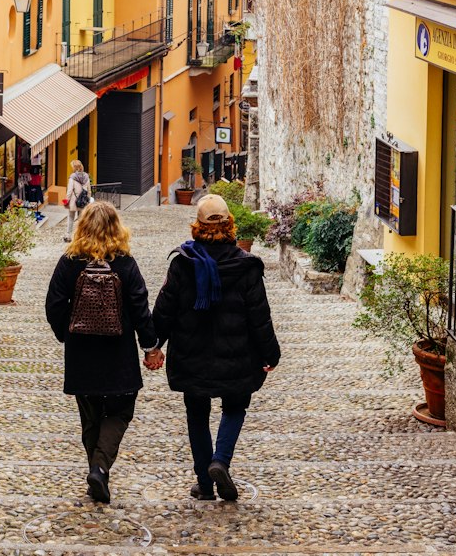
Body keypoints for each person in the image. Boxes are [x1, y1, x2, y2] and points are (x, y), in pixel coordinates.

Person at [151, 193, 280, 502]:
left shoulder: (183, 264)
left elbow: (164, 311)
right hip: (237, 357)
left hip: (191, 355)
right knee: (235, 407)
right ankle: (220, 461)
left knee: (197, 414)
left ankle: (205, 485)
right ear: (229, 225)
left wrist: (153, 345)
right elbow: (259, 315)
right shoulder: (246, 267)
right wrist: (270, 354)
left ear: (197, 226)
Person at [45, 201, 162, 504]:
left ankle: (97, 472)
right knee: (121, 412)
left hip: (81, 353)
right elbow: (140, 308)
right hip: (118, 352)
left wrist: (66, 334)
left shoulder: (70, 262)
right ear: (116, 228)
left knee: (90, 417)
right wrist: (150, 348)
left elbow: (54, 305)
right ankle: (99, 468)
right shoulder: (125, 263)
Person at [64, 159, 92, 240]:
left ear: (74, 167)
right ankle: (80, 236)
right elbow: (89, 190)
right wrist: (88, 200)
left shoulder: (72, 178)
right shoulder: (86, 177)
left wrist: (66, 200)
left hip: (73, 201)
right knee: (81, 219)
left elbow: (69, 191)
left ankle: (68, 235)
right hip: (83, 200)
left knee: (71, 217)